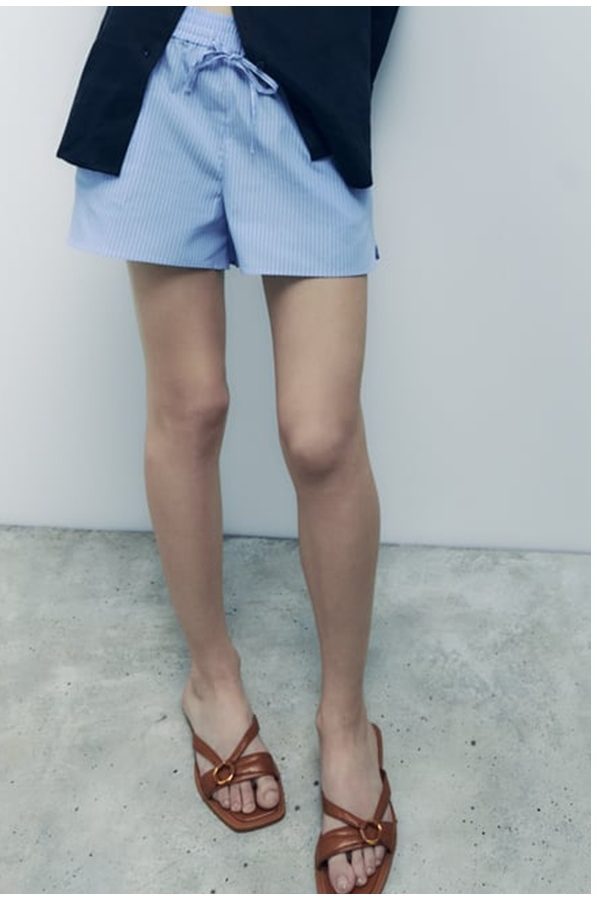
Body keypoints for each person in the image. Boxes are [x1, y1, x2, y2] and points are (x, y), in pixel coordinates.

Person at [56, 5, 399, 893]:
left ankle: (345, 722)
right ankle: (212, 681)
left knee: (320, 435)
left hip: (302, 86)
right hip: (161, 73)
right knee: (190, 406)